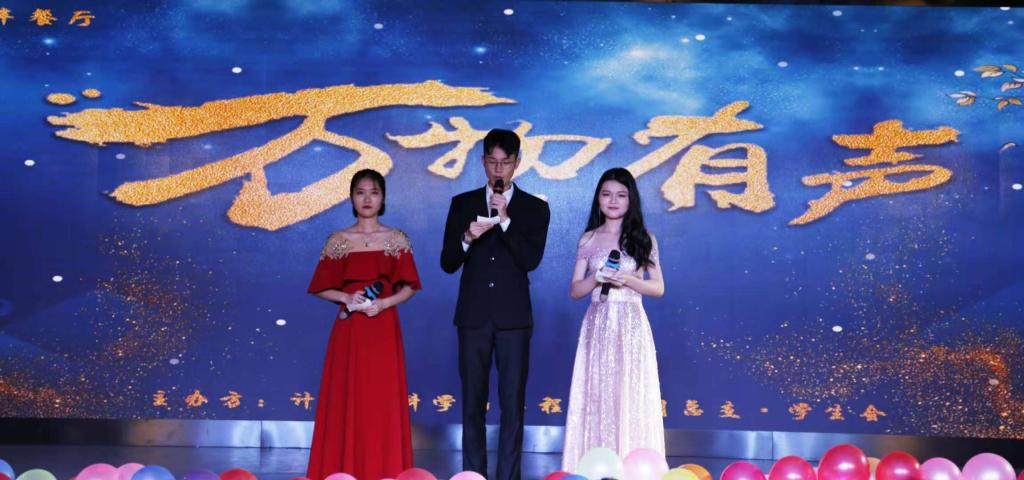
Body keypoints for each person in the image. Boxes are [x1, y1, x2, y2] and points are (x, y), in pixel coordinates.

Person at [440, 128, 551, 480]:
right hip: (473, 317)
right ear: (483, 162)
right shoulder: (462, 204)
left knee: (512, 405)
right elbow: (447, 263)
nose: (498, 169)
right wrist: (466, 238)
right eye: (492, 162)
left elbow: (530, 260)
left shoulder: (535, 208)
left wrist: (505, 221)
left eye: (505, 162)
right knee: (472, 404)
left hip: (513, 320)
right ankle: (473, 476)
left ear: (517, 163)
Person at [306, 169, 421, 480]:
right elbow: (319, 287)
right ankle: (343, 470)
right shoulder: (339, 240)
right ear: (351, 198)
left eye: (374, 192)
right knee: (348, 398)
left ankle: (385, 471)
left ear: (383, 198)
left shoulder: (396, 239)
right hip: (351, 329)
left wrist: (383, 303)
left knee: (381, 401)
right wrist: (346, 297)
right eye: (360, 192)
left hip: (383, 327)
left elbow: (409, 287)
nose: (367, 198)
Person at [562, 167, 666, 472]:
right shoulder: (588, 239)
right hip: (598, 323)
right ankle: (593, 467)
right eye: (606, 194)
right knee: (598, 395)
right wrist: (596, 277)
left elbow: (658, 288)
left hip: (631, 324)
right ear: (598, 199)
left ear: (631, 200)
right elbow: (575, 291)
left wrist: (627, 280)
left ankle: (634, 468)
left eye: (621, 195)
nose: (613, 201)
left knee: (630, 394)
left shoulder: (645, 238)